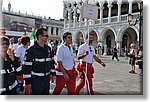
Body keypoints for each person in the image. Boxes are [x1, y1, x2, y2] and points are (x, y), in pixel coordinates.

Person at [23, 28, 56, 95]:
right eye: (46, 36)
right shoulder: (31, 50)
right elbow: (27, 68)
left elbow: (51, 63)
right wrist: (28, 82)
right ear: (40, 36)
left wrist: (53, 74)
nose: (48, 37)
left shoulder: (48, 49)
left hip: (46, 80)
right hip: (36, 81)